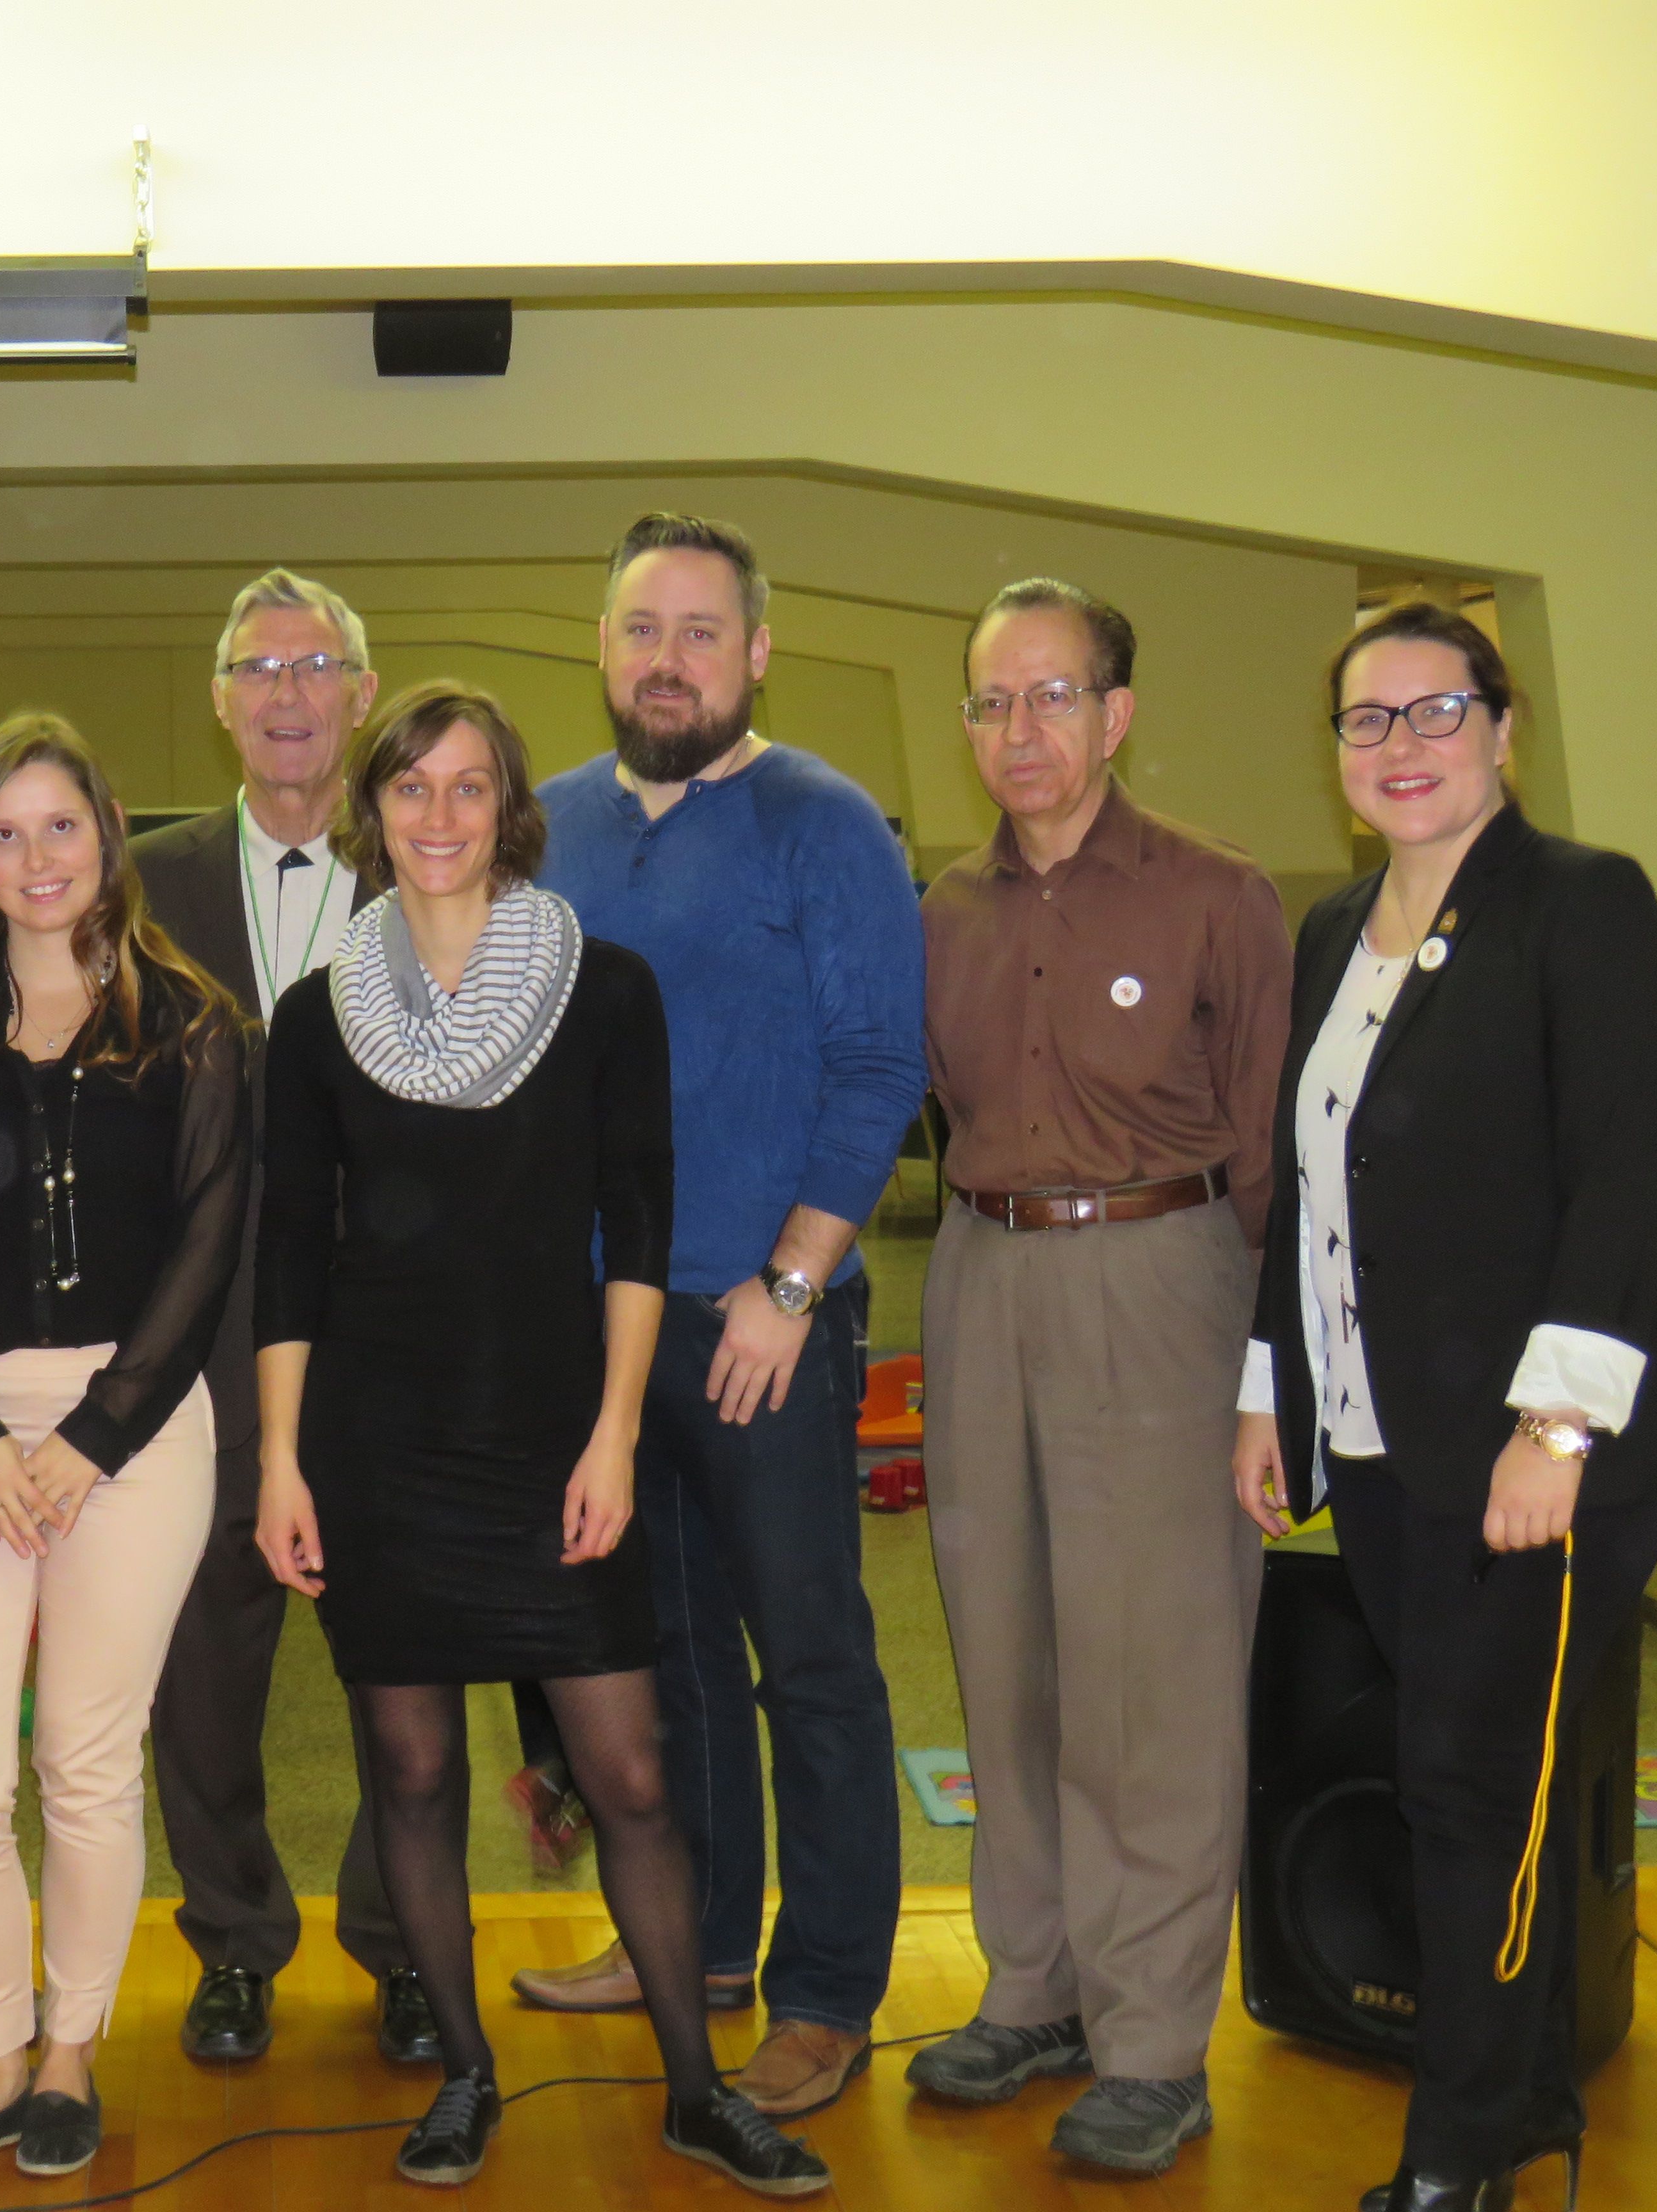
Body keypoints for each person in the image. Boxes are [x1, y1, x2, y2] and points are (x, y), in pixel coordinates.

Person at [255, 682, 825, 2197]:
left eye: (467, 788)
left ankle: (698, 2092)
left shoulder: (603, 989)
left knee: (630, 1775)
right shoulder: (316, 1024)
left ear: (510, 812)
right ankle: (465, 2075)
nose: (438, 818)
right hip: (378, 1449)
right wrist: (281, 1461)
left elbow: (636, 1227)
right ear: (373, 815)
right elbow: (290, 1261)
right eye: (410, 790)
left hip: (551, 1433)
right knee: (415, 1773)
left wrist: (619, 1436)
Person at [1233, 602, 1657, 2212]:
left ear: (1503, 730)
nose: (1400, 746)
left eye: (1435, 712)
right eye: (1366, 721)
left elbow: (1623, 1187)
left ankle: (1464, 2154)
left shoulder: (1582, 907)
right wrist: (1268, 1398)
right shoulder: (1330, 933)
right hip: (1378, 1446)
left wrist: (1554, 1430)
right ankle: (1509, 2104)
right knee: (1464, 1779)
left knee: (1475, 1787)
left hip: (1540, 1458)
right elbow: (1306, 1199)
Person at [532, 513, 925, 2128]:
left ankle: (828, 1992)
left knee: (809, 1662)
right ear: (604, 647)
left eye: (703, 631)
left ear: (756, 651)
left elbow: (879, 1069)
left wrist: (789, 1284)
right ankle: (693, 1949)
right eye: (642, 629)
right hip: (600, 1332)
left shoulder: (820, 822)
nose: (668, 659)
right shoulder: (545, 820)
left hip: (765, 1321)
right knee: (666, 1653)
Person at [909, 581, 1290, 2174]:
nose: (1020, 732)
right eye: (993, 703)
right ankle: (1037, 1986)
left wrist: (1268, 1373)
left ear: (1117, 715)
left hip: (1164, 1276)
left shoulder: (1220, 896)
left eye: (1052, 698)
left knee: (1155, 1681)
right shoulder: (941, 911)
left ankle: (1150, 2043)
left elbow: (1272, 1155)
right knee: (1006, 1660)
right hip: (983, 1272)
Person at [0, 714, 246, 2187]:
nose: (37, 859)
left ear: (109, 839)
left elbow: (207, 1249)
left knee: (88, 1765)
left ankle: (70, 2052)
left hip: (135, 1435)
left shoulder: (194, 1027)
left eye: (63, 827)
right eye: (6, 833)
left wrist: (92, 1436)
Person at [131, 569, 424, 2065]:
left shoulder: (437, 864)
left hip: (392, 1341)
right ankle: (233, 1939)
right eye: (260, 666)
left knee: (401, 1663)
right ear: (222, 699)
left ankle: (405, 1941)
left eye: (318, 665)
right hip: (203, 1337)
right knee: (204, 1669)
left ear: (363, 695)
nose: (290, 693)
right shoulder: (147, 881)